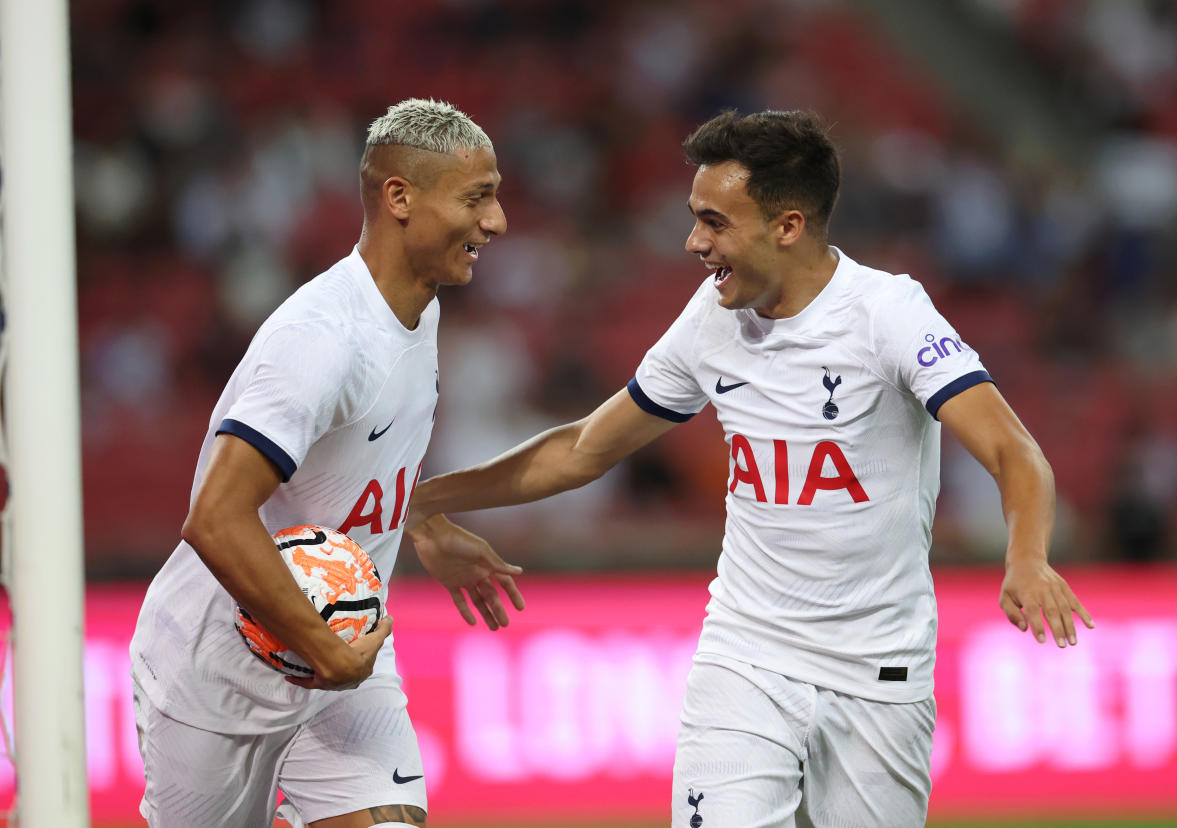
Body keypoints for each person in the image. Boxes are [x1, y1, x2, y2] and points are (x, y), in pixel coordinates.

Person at [405, 109, 1094, 827]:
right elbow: (582, 449)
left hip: (877, 672)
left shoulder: (887, 313)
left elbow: (1014, 451)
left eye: (714, 222)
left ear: (787, 226)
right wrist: (422, 499)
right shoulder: (712, 318)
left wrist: (1027, 556)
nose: (694, 242)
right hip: (746, 653)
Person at [129, 98, 525, 828]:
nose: (496, 221)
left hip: (343, 644)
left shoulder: (421, 306)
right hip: (219, 672)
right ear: (399, 197)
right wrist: (324, 651)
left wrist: (422, 522)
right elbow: (215, 519)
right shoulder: (322, 339)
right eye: (477, 198)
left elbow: (356, 465)